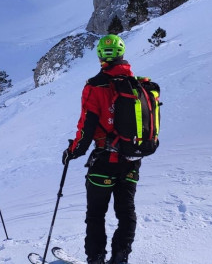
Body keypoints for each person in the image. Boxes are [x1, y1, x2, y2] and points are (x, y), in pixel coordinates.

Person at [63, 34, 150, 264]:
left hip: (104, 161)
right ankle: (120, 257)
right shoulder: (138, 85)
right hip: (131, 159)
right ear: (122, 54)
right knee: (126, 212)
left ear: (101, 55)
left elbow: (86, 127)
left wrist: (72, 151)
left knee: (95, 215)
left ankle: (96, 259)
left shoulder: (95, 86)